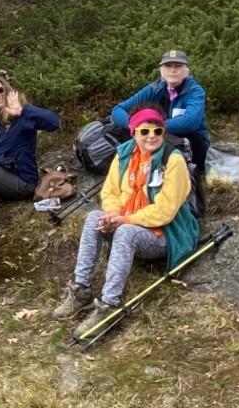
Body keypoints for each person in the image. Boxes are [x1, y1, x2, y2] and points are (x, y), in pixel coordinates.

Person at [53, 107, 197, 338]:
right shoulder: (123, 155)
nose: (151, 135)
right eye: (145, 130)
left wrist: (125, 220)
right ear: (134, 132)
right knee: (93, 218)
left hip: (166, 233)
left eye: (157, 130)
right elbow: (109, 192)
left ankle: (110, 306)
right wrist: (111, 215)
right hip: (127, 222)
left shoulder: (173, 160)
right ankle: (81, 289)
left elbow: (165, 211)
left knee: (126, 232)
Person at [107, 48, 209, 211]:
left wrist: (153, 127)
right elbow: (118, 109)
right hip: (162, 140)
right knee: (134, 131)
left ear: (186, 71)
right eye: (168, 66)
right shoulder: (155, 88)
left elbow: (191, 122)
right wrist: (135, 125)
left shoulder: (195, 91)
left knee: (149, 135)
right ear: (161, 70)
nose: (173, 70)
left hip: (193, 145)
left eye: (178, 66)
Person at [0, 72, 61, 201]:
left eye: (0, 90)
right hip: (1, 178)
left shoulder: (23, 115)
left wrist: (22, 111)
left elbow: (54, 122)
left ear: (7, 89)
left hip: (23, 183)